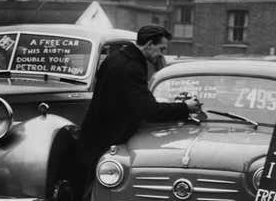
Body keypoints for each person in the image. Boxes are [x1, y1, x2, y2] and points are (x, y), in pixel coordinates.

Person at [79, 25, 201, 172]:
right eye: (161, 49)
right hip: (109, 144)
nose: (161, 55)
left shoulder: (116, 57)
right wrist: (185, 107)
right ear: (149, 44)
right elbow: (149, 111)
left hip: (94, 137)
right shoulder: (132, 67)